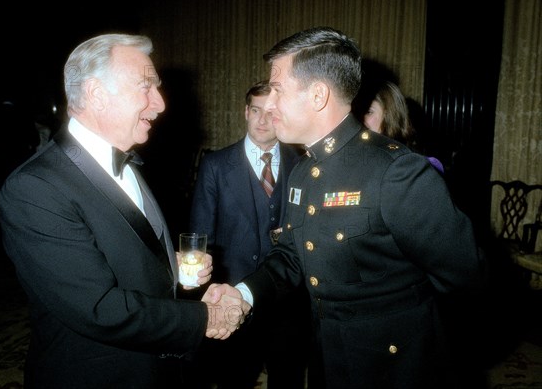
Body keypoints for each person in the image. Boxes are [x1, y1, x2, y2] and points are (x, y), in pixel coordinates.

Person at [207, 26, 485, 389]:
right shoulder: (304, 171)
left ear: (318, 95)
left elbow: (466, 278)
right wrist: (242, 293)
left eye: (277, 90)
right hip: (328, 356)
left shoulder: (395, 171)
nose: (269, 103)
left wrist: (434, 353)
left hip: (396, 366)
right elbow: (291, 256)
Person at [0, 33, 248, 389]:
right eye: (145, 86)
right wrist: (202, 318)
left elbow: (125, 257)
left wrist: (176, 273)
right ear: (97, 94)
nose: (159, 104)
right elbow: (98, 308)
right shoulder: (34, 188)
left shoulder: (129, 165)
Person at [188, 80, 309, 388]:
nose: (263, 120)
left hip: (288, 302)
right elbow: (201, 237)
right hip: (233, 299)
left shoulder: (303, 166)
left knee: (289, 378)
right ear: (245, 112)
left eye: (271, 112)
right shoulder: (215, 165)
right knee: (234, 379)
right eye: (256, 110)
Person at [362, 80, 445, 174]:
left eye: (368, 112)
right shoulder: (356, 156)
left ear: (389, 114)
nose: (359, 119)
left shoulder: (419, 167)